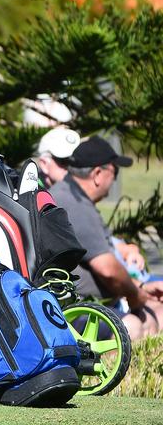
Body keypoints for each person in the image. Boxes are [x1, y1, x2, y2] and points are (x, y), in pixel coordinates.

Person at [48, 136, 163, 341]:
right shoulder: (73, 204)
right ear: (98, 174)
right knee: (135, 326)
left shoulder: (73, 197)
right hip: (73, 311)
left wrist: (141, 288)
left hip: (95, 303)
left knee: (157, 312)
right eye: (115, 172)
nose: (115, 180)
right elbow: (108, 270)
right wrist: (135, 295)